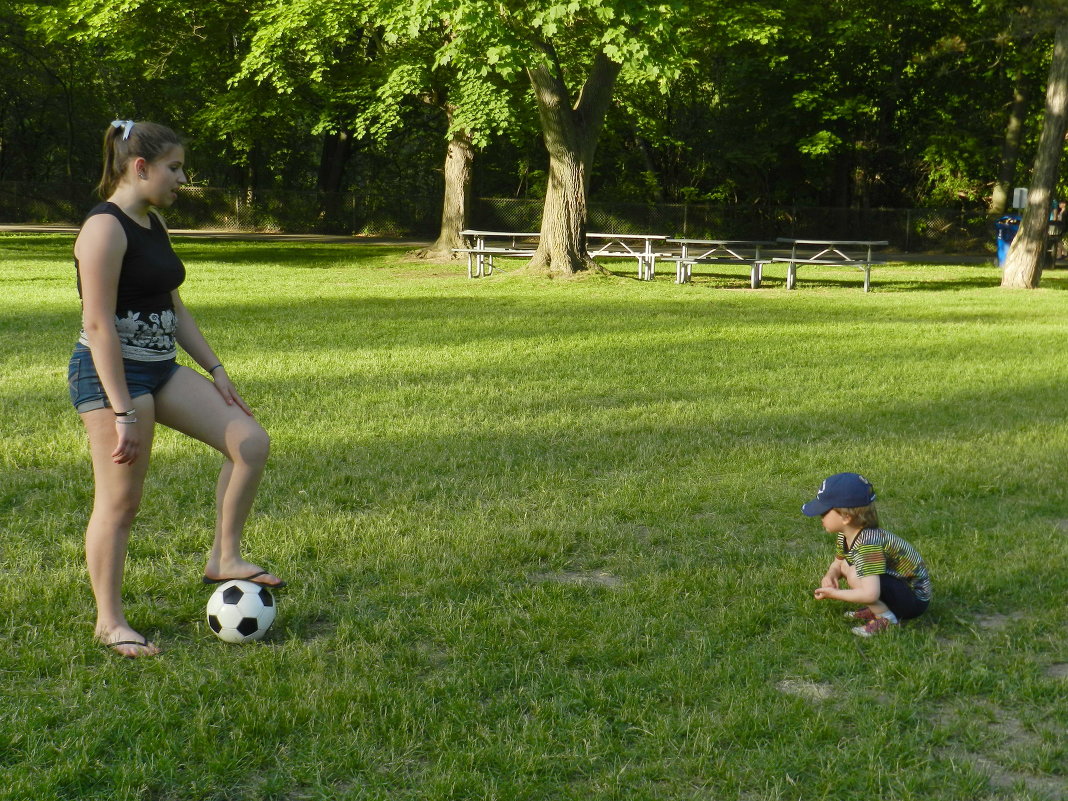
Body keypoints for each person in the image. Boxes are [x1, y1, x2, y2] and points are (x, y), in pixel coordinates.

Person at [69, 120, 281, 658]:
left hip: (160, 368)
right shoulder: (103, 229)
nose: (182, 178)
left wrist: (214, 368)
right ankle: (109, 621)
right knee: (121, 502)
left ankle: (225, 557)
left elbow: (172, 304)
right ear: (140, 168)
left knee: (250, 443)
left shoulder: (151, 222)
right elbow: (97, 327)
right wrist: (122, 412)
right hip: (111, 376)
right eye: (175, 167)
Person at [802, 472, 930, 637]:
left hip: (913, 600)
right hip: (896, 586)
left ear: (846, 517)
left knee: (856, 574)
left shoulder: (868, 544)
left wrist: (834, 594)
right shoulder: (846, 535)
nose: (820, 517)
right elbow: (838, 562)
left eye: (824, 512)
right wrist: (831, 574)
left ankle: (886, 619)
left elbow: (871, 593)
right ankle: (876, 609)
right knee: (848, 566)